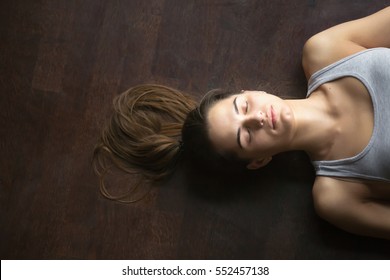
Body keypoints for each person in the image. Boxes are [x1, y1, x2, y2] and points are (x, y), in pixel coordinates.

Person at [94, 7, 390, 239]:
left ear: (250, 91)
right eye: (245, 136)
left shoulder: (324, 51)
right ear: (258, 161)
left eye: (243, 106)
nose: (257, 118)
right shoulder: (336, 196)